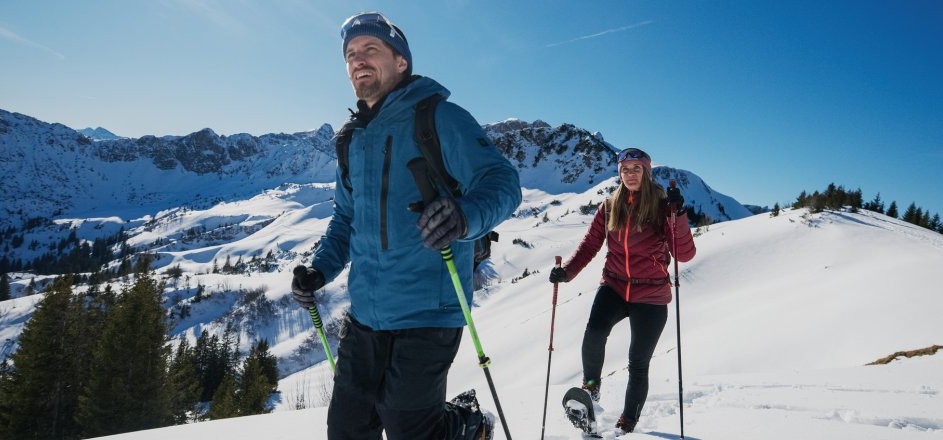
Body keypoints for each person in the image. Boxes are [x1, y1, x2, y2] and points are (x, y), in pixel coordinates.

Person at [289, 11, 521, 440]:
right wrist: (320, 270)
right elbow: (345, 219)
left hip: (429, 312)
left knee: (411, 430)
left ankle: (470, 425)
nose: (358, 60)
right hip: (365, 317)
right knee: (345, 431)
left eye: (370, 49)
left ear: (401, 62)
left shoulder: (438, 118)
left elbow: (503, 183)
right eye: (351, 54)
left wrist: (464, 217)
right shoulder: (351, 140)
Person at [549, 147, 696, 433]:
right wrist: (567, 271)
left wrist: (677, 215)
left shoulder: (662, 205)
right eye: (625, 169)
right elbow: (591, 244)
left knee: (637, 363)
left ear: (646, 171)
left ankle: (627, 424)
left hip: (651, 294)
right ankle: (590, 391)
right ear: (619, 173)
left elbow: (685, 254)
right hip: (614, 285)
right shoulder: (609, 205)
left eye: (636, 169)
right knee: (594, 333)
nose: (630, 174)